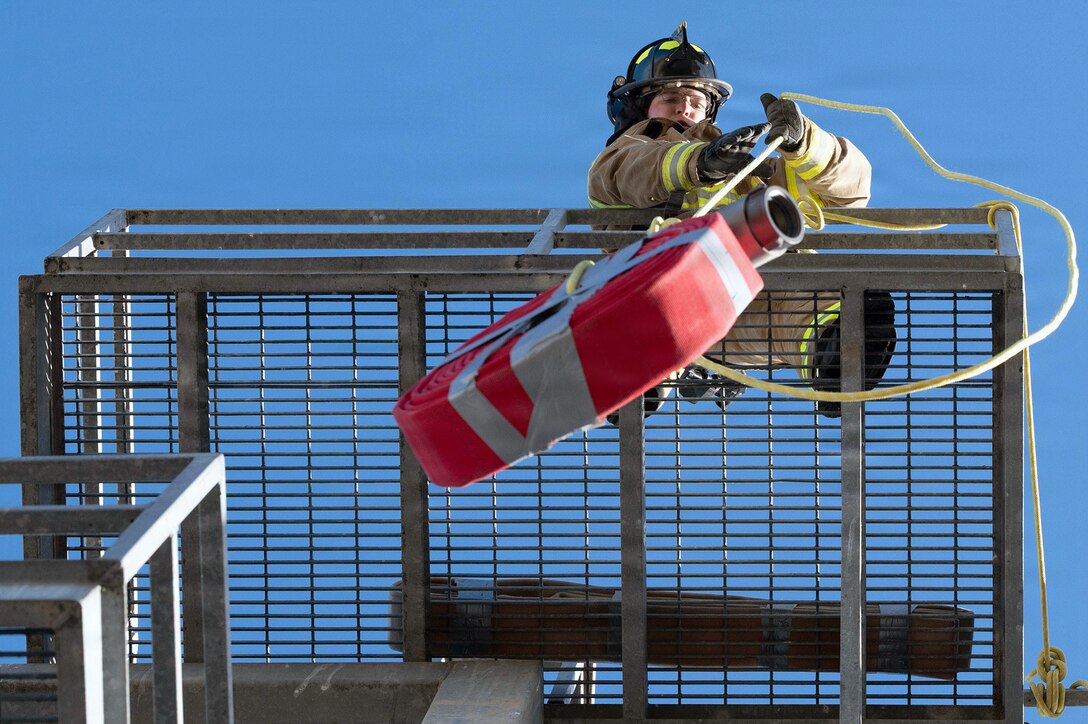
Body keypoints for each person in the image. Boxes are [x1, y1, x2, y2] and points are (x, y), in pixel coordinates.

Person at [589, 24, 895, 418]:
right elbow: (636, 172)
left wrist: (806, 145)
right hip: (668, 295)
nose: (685, 108)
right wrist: (699, 163)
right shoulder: (626, 153)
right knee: (660, 316)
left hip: (749, 297)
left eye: (696, 102)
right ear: (638, 107)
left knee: (832, 308)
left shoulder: (747, 173)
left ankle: (834, 357)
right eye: (670, 98)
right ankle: (639, 369)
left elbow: (851, 194)